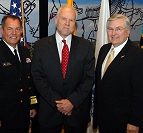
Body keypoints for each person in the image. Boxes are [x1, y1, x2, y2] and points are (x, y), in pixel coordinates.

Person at [31, 5, 95, 133]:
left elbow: (89, 78)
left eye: (71, 20)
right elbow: (37, 77)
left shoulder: (86, 46)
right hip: (50, 112)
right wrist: (58, 103)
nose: (67, 23)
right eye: (64, 19)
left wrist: (72, 101)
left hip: (77, 113)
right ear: (56, 20)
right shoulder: (40, 46)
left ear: (75, 24)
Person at [93, 14, 143, 133]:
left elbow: (142, 93)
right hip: (104, 118)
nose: (114, 33)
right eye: (110, 29)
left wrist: (135, 122)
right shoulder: (104, 50)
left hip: (125, 122)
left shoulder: (138, 55)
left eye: (118, 29)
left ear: (128, 32)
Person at [0, 15, 38, 133]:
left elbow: (28, 81)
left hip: (22, 116)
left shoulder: (25, 52)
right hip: (3, 118)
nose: (14, 33)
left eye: (17, 29)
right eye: (10, 29)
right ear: (2, 31)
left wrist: (32, 105)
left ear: (21, 31)